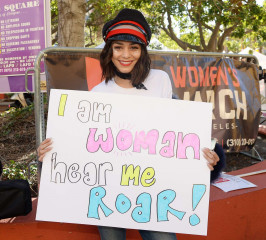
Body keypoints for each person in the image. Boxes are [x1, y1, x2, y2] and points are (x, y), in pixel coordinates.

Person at [38, 8, 225, 240]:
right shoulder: (98, 92)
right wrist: (52, 155)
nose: (125, 55)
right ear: (109, 51)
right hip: (108, 193)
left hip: (156, 191)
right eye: (118, 47)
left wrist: (208, 155)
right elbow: (82, 147)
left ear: (143, 51)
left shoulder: (160, 81)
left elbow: (180, 133)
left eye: (133, 47)